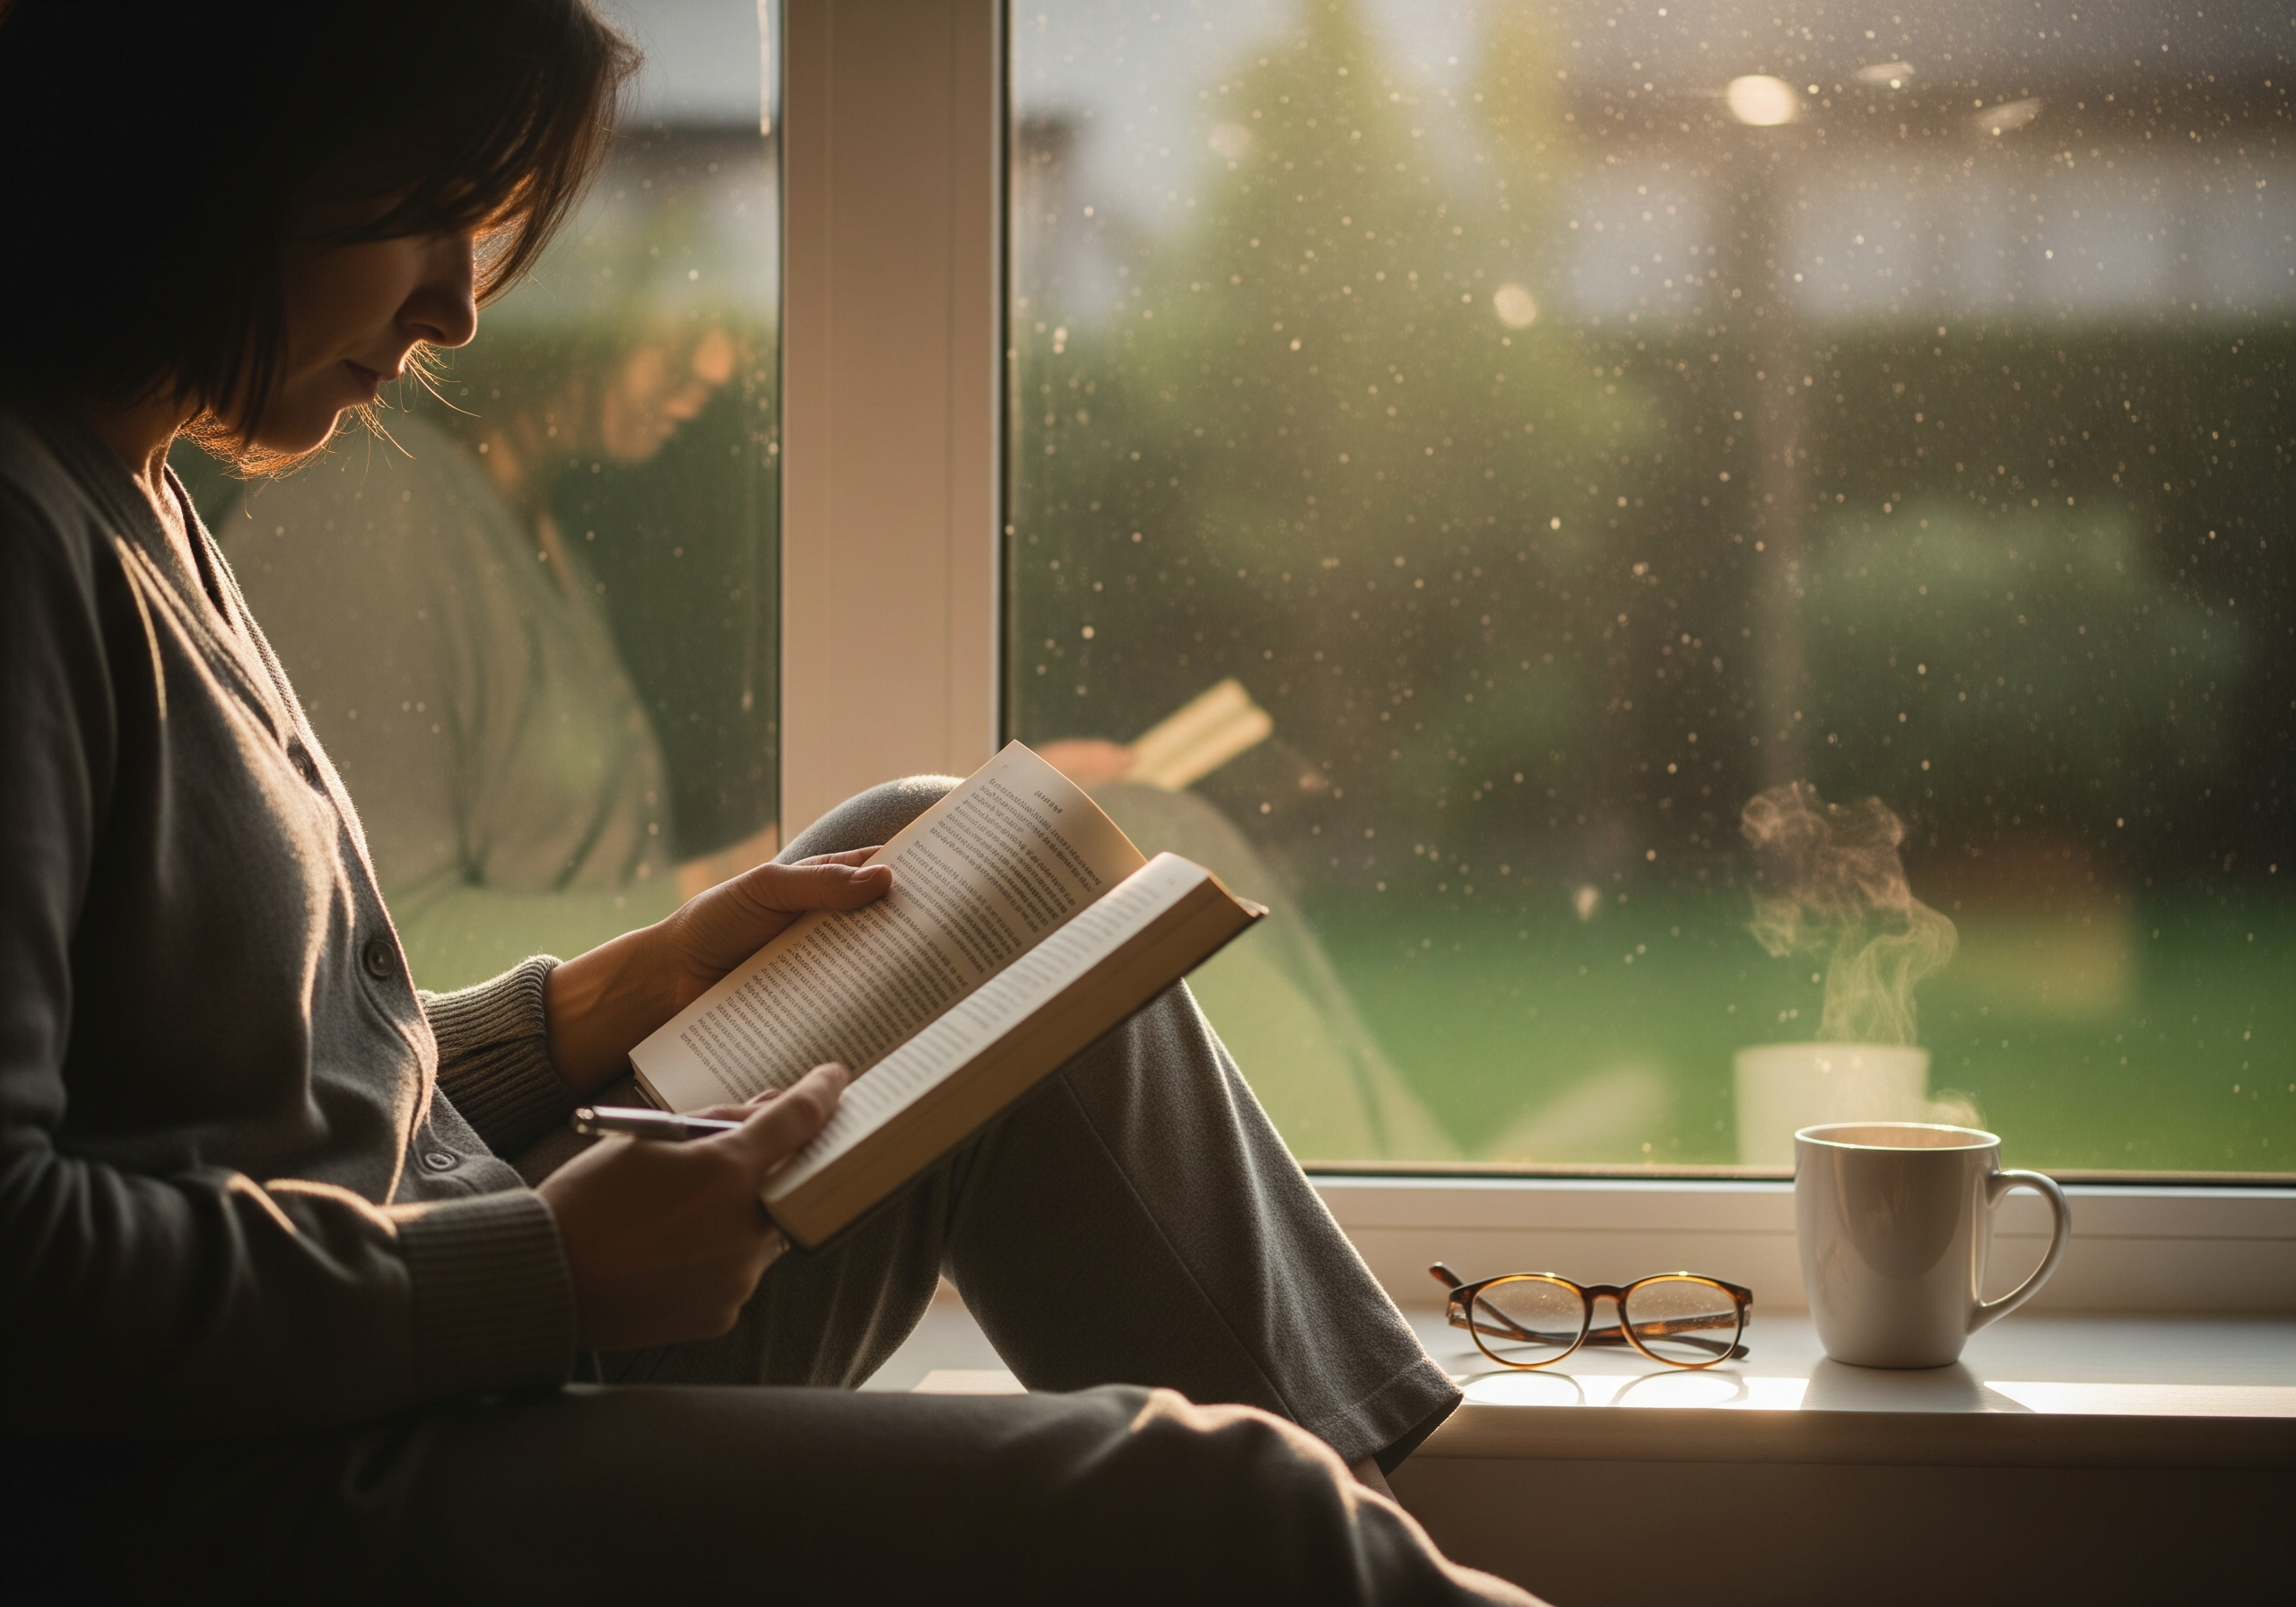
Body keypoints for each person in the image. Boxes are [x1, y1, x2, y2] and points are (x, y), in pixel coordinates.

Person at [0, 3, 1539, 1602]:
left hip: (424, 1357)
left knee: (975, 884)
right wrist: (548, 1267)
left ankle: (1386, 1546)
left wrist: (619, 996)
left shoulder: (143, 494)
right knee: (1211, 1510)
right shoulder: (19, 537)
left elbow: (253, 1094)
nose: (460, 304)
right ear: (229, 156)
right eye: (431, 209)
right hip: (281, 1489)